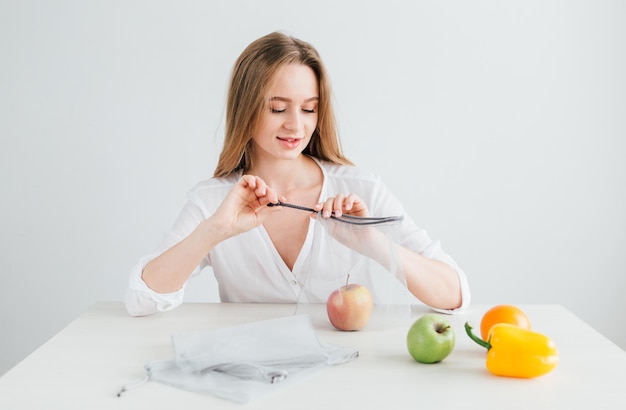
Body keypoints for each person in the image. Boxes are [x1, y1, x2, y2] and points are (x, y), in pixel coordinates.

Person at [125, 31, 470, 317]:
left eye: (309, 109)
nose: (295, 124)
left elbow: (454, 294)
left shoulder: (361, 188)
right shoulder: (213, 201)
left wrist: (373, 244)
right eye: (277, 108)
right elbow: (142, 299)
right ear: (246, 108)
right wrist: (213, 232)